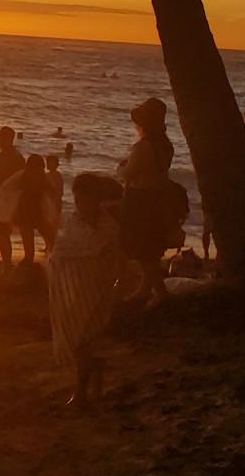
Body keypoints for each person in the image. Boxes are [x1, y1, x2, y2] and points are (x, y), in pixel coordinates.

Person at [47, 173, 122, 408]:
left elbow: (108, 257)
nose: (80, 203)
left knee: (83, 339)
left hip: (96, 290)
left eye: (85, 198)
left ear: (97, 199)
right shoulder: (74, 221)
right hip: (73, 289)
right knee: (79, 339)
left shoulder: (108, 226)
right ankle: (93, 373)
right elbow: (62, 248)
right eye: (77, 199)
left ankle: (81, 391)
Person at [116, 98, 177, 307]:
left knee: (141, 248)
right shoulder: (166, 146)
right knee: (149, 247)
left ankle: (160, 292)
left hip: (140, 200)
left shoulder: (143, 147)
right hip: (157, 198)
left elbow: (128, 173)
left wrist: (120, 167)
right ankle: (145, 289)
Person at [1, 153, 50, 268]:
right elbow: (5, 188)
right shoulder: (22, 176)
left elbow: (51, 192)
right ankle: (29, 258)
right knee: (28, 235)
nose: (37, 172)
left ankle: (48, 253)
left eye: (39, 169)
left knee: (45, 233)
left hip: (36, 209)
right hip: (24, 209)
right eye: (35, 169)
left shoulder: (42, 177)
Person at [0, 126, 25, 267]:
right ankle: (6, 260)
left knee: (1, 233)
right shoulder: (13, 156)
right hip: (4, 199)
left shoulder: (8, 156)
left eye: (2, 137)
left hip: (4, 200)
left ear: (8, 139)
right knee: (3, 232)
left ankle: (7, 262)